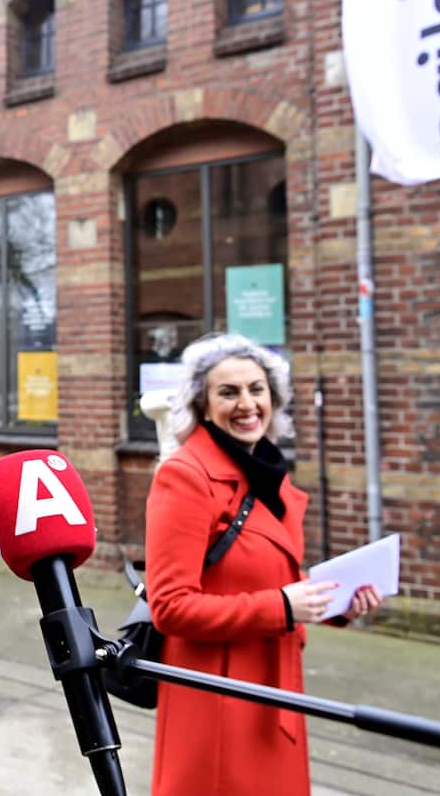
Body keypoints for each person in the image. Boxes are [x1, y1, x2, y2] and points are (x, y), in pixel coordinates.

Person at [144, 333, 380, 796]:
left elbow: (275, 583)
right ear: (203, 406)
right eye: (228, 392)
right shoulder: (185, 476)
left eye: (257, 389)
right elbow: (169, 607)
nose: (246, 403)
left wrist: (339, 602)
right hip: (216, 697)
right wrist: (282, 607)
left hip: (276, 694)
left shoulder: (271, 478)